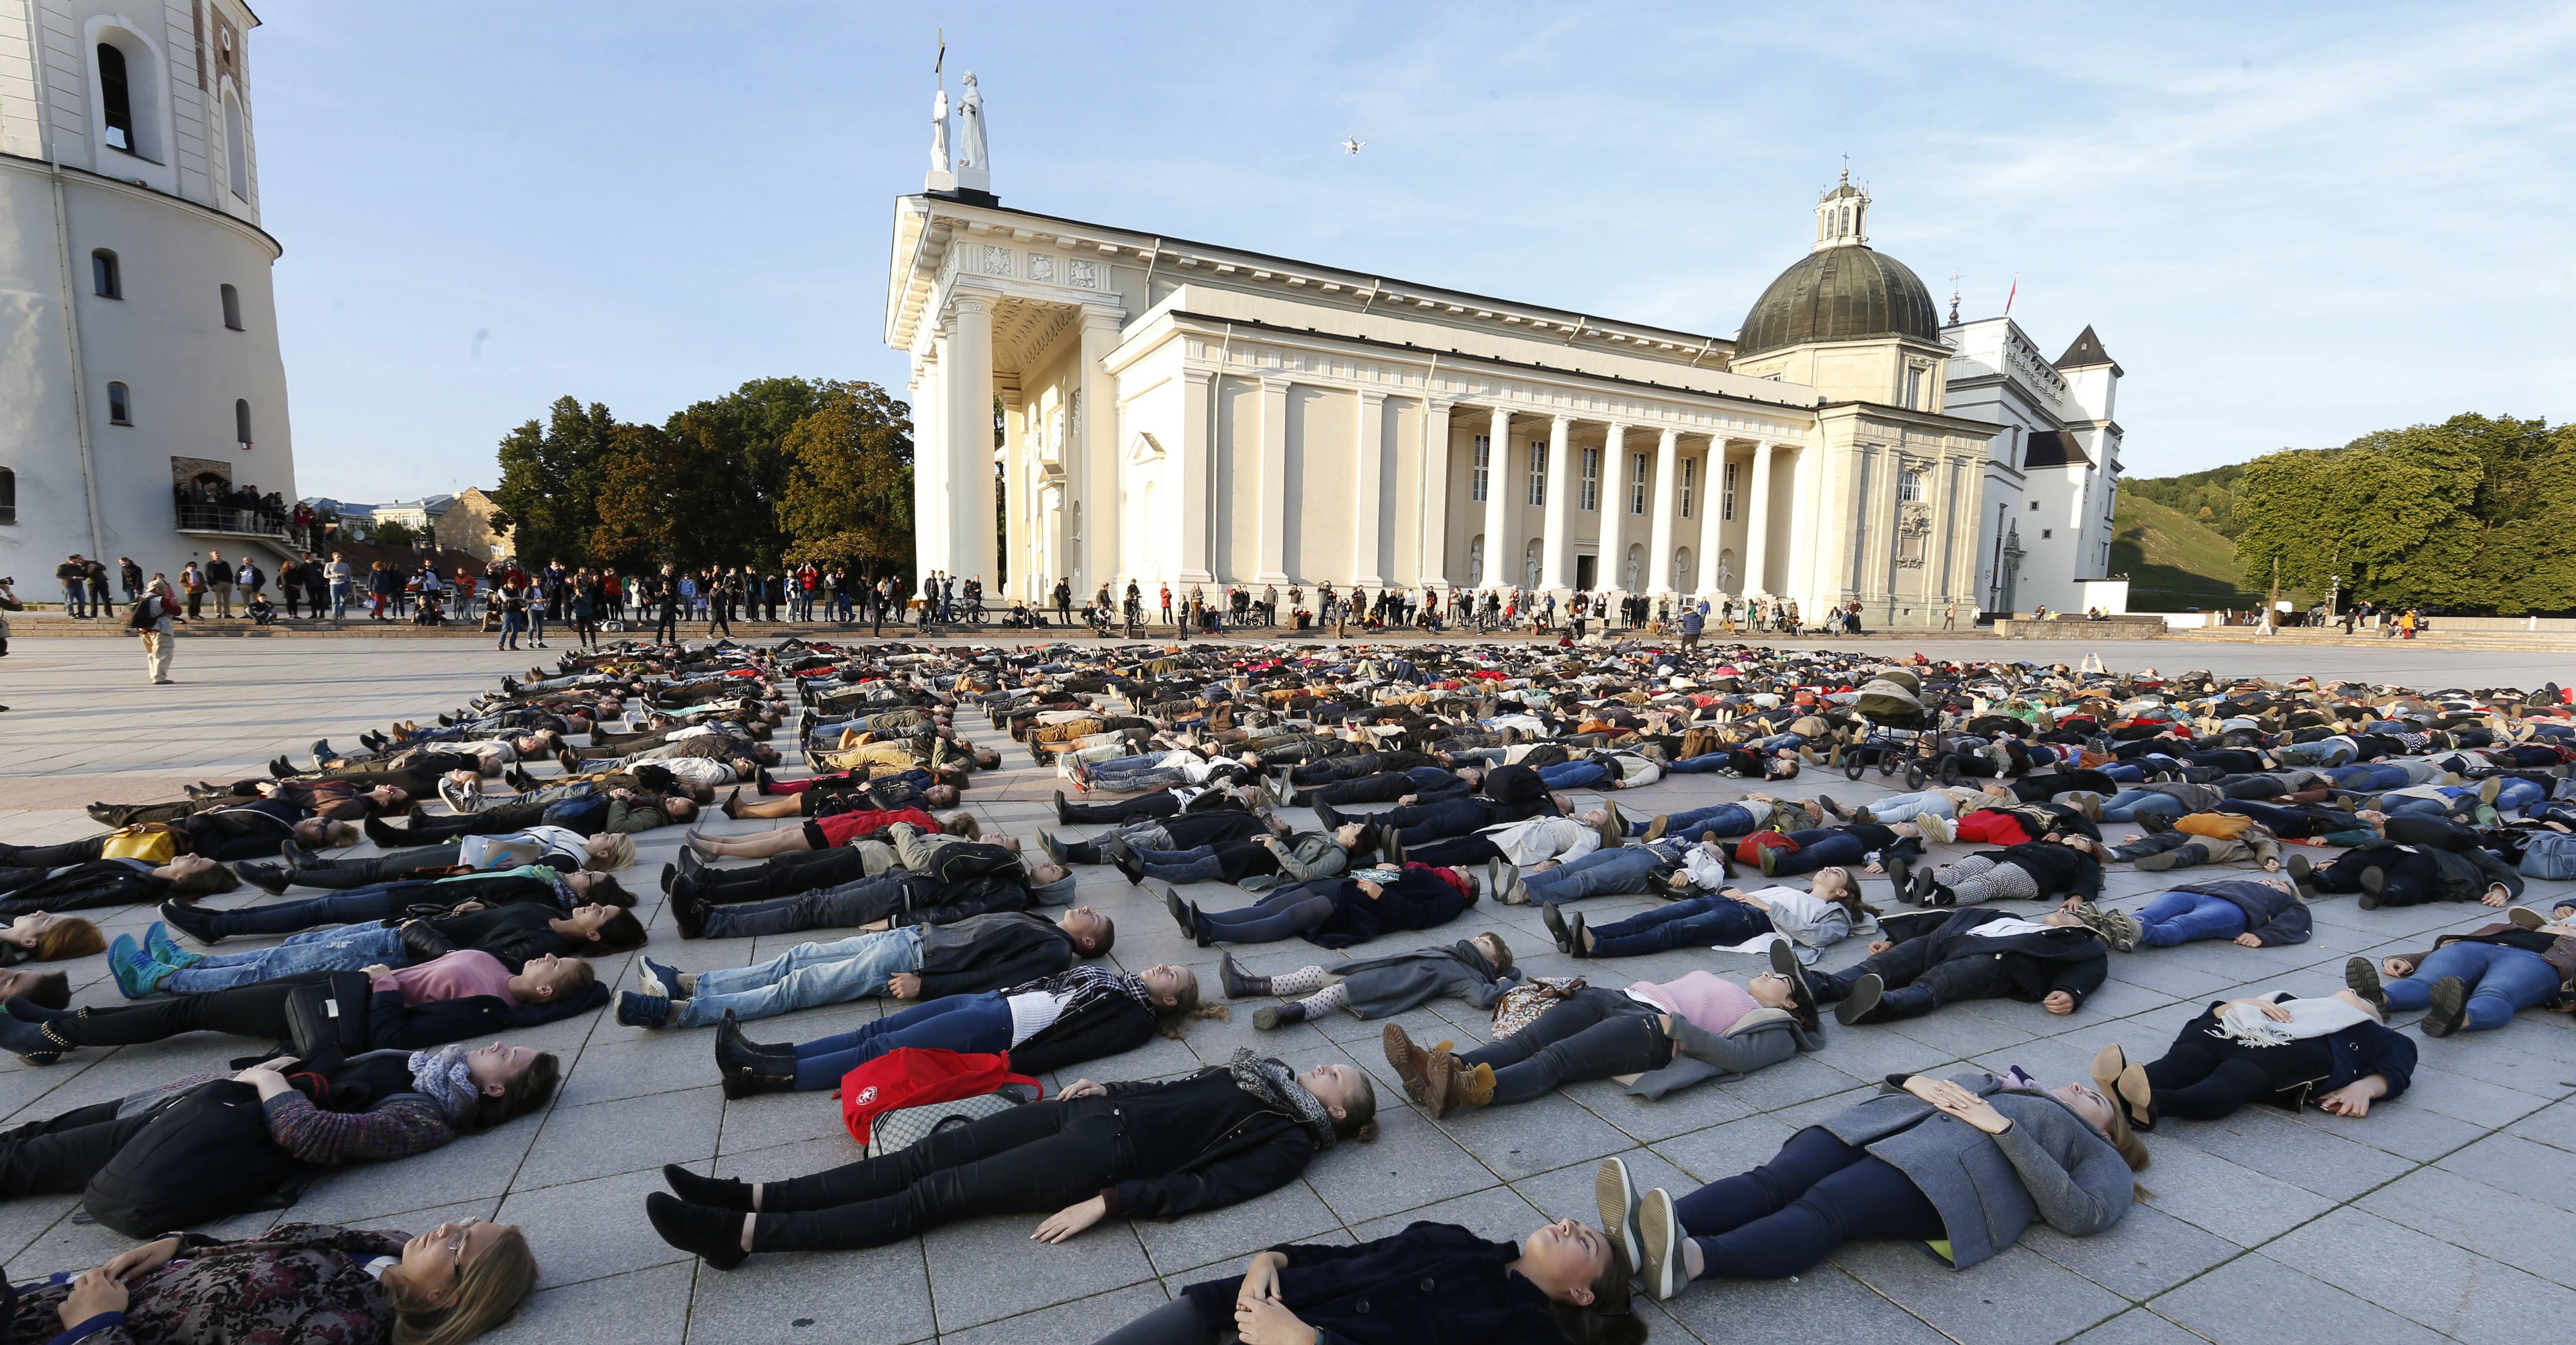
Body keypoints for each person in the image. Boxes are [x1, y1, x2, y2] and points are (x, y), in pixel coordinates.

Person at [643, 1050, 1376, 1269]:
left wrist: (1111, 1202)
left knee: (934, 1195)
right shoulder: (1259, 1074)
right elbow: (1178, 1089)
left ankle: (738, 1236)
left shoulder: (1288, 1139)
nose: (1324, 1068)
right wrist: (1110, 1084)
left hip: (1102, 1156)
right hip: (1084, 1110)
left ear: (1337, 1112)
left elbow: (1211, 1184)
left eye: (1337, 1077)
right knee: (922, 1155)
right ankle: (749, 1194)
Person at [1608, 1063, 2148, 1300]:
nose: (2080, 1085)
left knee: (1827, 1208)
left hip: (1942, 1174)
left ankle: (1691, 1261)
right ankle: (1643, 1235)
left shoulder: (2097, 1152)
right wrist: (1918, 1083)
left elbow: (2082, 1215)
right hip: (1873, 1128)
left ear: (2107, 1130)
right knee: (1774, 1179)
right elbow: (1895, 1083)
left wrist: (2003, 1128)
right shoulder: (1998, 1081)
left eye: (2096, 1099)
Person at [0, 1041, 559, 1206]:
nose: (501, 1044)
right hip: (197, 1104)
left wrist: (271, 1082)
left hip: (208, 1134)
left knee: (25, 1163)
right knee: (36, 1133)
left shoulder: (428, 1115)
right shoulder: (428, 1068)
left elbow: (314, 1135)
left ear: (494, 1088)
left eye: (509, 1057)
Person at [1087, 1217, 1640, 1345]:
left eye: (1584, 1241)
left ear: (1582, 1293)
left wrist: (1311, 1342)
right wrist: (1270, 1258)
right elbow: (1351, 1254)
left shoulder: (1530, 1333)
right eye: (1574, 1221)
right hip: (1236, 1305)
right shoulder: (1457, 1237)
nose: (1568, 1224)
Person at [708, 962, 1218, 1097]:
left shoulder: (1135, 1019)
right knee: (875, 1030)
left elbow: (1077, 1047)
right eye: (1168, 964)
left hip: (1001, 1029)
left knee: (883, 1049)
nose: (1161, 967)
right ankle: (762, 1054)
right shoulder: (1120, 980)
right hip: (992, 1002)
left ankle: (758, 1074)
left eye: (1171, 975)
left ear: (1169, 1000)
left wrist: (1005, 1067)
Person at [3, 1220, 537, 1345]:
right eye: (463, 1224)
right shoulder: (385, 1248)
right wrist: (182, 1244)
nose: (445, 1229)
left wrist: (94, 1327)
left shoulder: (343, 1329)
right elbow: (253, 1251)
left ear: (446, 1295)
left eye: (459, 1245)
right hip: (48, 1294)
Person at [617, 908, 1116, 1029]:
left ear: (1088, 941)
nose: (1088, 909)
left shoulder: (1055, 949)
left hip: (919, 961)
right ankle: (688, 981)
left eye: (1097, 920)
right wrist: (900, 924)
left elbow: (991, 979)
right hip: (910, 940)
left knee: (801, 986)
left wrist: (927, 987)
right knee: (798, 958)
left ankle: (680, 1011)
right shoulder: (1039, 920)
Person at [2091, 973, 2414, 1125]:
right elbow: (2212, 1016)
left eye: (2362, 999)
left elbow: (2398, 1067)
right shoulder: (2289, 1000)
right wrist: (2239, 1003)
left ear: (2373, 1016)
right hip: (2240, 1029)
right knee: (2189, 1056)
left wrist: (2364, 1088)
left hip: (2288, 1052)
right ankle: (2125, 1091)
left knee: (2237, 1075)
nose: (2350, 991)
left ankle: (2149, 1102)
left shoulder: (2375, 1033)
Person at [1161, 863, 1479, 949]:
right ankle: (1200, 920)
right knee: (1270, 907)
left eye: (1469, 873)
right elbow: (1367, 876)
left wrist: (1379, 894)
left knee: (1288, 918)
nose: (1462, 866)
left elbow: (1419, 917)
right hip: (1344, 887)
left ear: (1467, 888)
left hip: (1360, 908)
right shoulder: (1427, 872)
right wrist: (1379, 872)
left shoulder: (1452, 900)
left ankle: (1212, 931)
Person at [2373, 913, 2575, 1037]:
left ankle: (2460, 1018)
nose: (2566, 926)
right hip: (2474, 947)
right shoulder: (2512, 929)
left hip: (2536, 960)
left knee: (2496, 992)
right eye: (2562, 923)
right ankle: (2380, 998)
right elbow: (2450, 946)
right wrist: (2411, 960)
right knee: (2428, 979)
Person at [133, 573, 178, 684]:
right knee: (163, 654)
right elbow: (176, 612)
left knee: (151, 654)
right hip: (160, 630)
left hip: (144, 630)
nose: (167, 591)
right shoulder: (161, 600)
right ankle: (159, 678)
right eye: (165, 589)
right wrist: (177, 604)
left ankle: (154, 675)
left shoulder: (141, 597)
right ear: (158, 589)